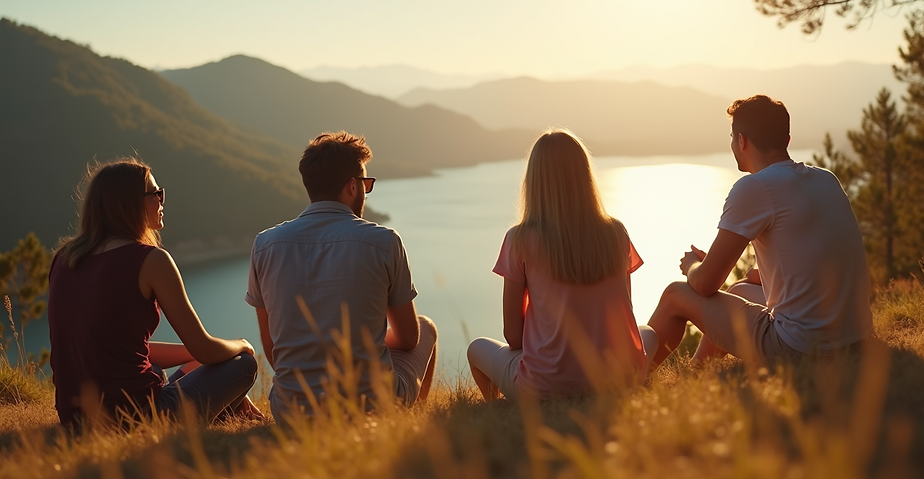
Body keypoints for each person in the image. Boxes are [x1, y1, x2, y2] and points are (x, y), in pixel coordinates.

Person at [646, 95, 873, 369]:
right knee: (741, 290)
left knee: (675, 295)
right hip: (856, 340)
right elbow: (794, 266)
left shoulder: (755, 187)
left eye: (732, 138)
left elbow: (705, 284)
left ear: (741, 141)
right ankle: (698, 373)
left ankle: (629, 382)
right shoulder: (826, 179)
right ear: (786, 140)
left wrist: (693, 266)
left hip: (802, 349)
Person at [48, 158, 261, 428]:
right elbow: (206, 350)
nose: (161, 201)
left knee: (158, 369)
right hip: (139, 419)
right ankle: (222, 413)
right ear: (129, 203)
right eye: (155, 194)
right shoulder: (151, 260)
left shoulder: (64, 258)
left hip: (75, 419)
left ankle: (224, 410)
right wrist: (243, 345)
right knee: (242, 364)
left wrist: (192, 356)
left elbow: (115, 349)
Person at [246, 131, 438, 422]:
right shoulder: (384, 242)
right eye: (366, 185)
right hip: (371, 406)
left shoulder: (265, 245)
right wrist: (361, 344)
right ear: (352, 186)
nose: (365, 193)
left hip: (291, 411)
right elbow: (409, 338)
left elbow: (274, 348)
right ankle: (407, 421)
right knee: (426, 327)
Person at [467, 130, 658, 401]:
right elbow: (624, 312)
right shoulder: (616, 233)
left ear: (534, 181)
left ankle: (498, 406)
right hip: (619, 378)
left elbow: (514, 337)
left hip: (545, 386)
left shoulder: (519, 239)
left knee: (476, 348)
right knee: (648, 333)